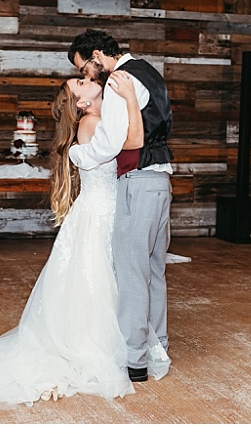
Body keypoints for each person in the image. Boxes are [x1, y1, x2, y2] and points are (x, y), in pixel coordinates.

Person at [0, 73, 142, 405]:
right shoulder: (91, 121)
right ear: (82, 102)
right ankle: (95, 342)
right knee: (96, 276)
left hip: (105, 206)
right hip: (99, 209)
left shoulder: (98, 117)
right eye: (80, 84)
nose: (87, 80)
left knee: (106, 274)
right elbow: (127, 144)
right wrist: (129, 97)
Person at [68, 29, 174, 383]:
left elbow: (113, 142)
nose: (88, 76)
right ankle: (158, 343)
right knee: (154, 269)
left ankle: (135, 359)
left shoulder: (118, 81)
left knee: (131, 273)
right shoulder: (149, 70)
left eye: (85, 68)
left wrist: (77, 154)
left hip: (139, 181)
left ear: (98, 55)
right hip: (161, 179)